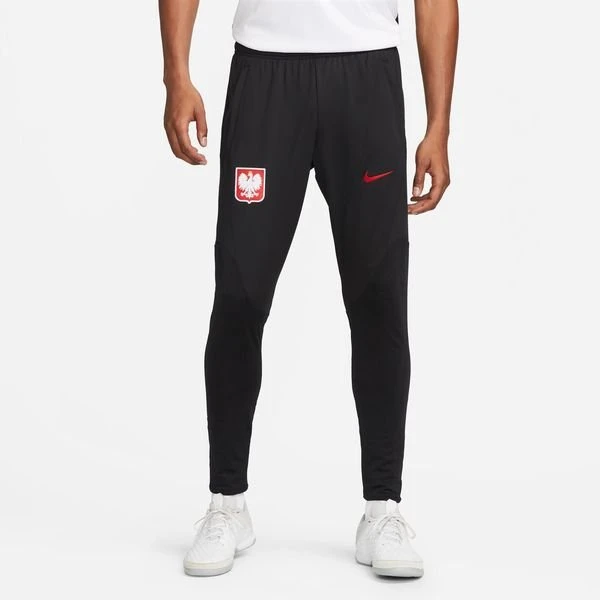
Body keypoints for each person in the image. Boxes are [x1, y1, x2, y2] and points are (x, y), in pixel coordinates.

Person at [159, 0, 458, 578]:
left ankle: (383, 509)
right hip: (266, 74)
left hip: (367, 75)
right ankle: (227, 503)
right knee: (240, 294)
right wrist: (177, 75)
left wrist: (438, 124)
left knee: (379, 297)